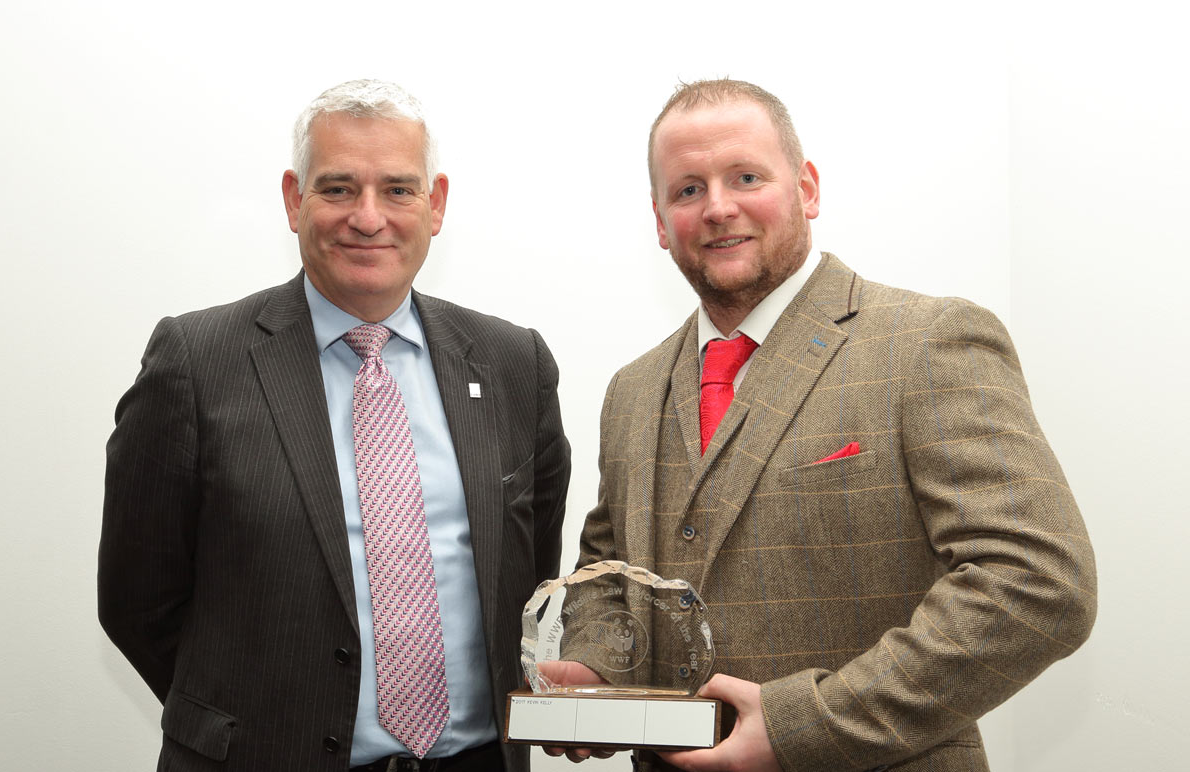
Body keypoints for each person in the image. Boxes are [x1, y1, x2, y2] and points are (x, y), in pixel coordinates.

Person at [554, 79, 1096, 772]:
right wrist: (599, 667)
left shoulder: (927, 342)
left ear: (806, 189)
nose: (718, 207)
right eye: (687, 190)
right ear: (660, 222)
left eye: (745, 177)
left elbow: (1039, 584)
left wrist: (801, 728)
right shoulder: (631, 390)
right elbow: (606, 571)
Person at [99, 79, 571, 772]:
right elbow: (137, 599)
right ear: (295, 200)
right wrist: (249, 718)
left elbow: (531, 575)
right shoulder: (196, 362)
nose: (369, 217)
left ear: (435, 205)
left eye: (399, 190)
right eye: (339, 188)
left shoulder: (511, 364)